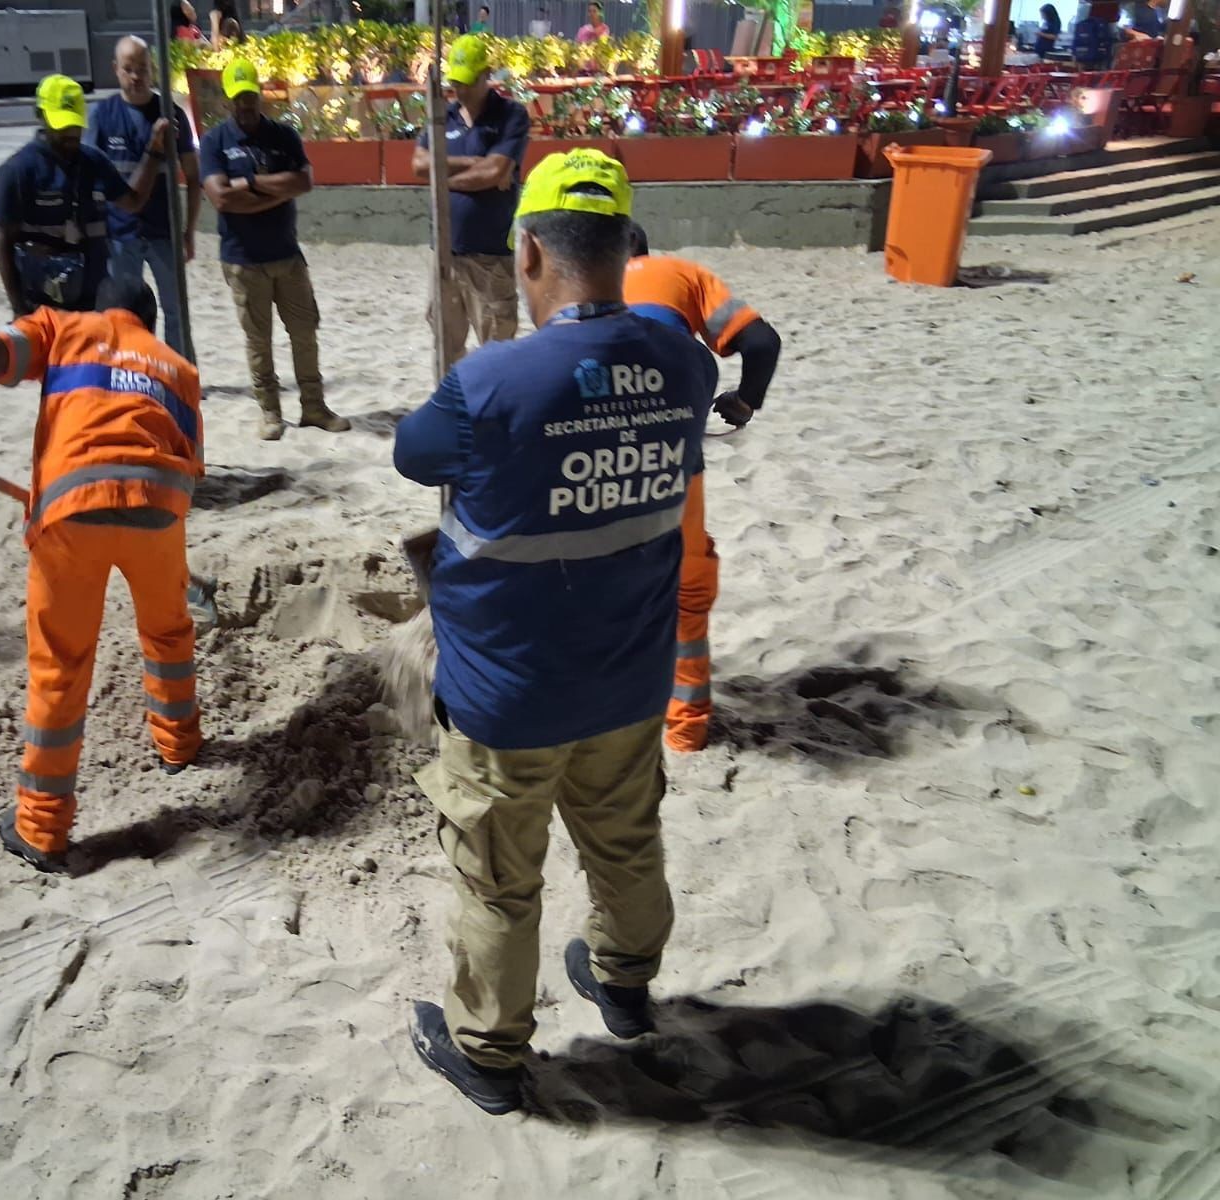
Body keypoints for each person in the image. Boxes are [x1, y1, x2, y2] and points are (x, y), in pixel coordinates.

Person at [394, 149, 716, 1115]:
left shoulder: (489, 381)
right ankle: (623, 980)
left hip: (509, 694)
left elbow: (416, 456)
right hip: (628, 678)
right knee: (627, 838)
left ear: (527, 249)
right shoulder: (685, 361)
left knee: (499, 880)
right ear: (624, 248)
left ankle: (488, 1054)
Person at [0, 278, 203, 875]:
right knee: (168, 631)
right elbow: (192, 462)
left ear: (100, 309)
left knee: (61, 664)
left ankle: (41, 828)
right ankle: (180, 745)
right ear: (150, 322)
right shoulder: (177, 367)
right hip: (160, 506)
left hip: (70, 511)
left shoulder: (65, 327)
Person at [624, 221, 782, 754]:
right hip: (674, 462)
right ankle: (686, 730)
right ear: (644, 251)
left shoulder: (574, 286)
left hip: (592, 465)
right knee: (686, 592)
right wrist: (745, 401)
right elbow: (762, 341)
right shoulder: (683, 273)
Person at [199, 60, 349, 441]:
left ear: (259, 93)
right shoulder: (215, 141)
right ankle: (269, 410)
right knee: (258, 340)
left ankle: (313, 406)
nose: (246, 103)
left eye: (250, 94)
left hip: (287, 254)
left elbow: (304, 181)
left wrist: (247, 186)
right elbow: (219, 197)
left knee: (305, 333)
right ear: (228, 101)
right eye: (239, 97)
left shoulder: (284, 136)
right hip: (243, 260)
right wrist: (273, 191)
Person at [0, 74, 172, 318]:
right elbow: (2, 241)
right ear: (40, 116)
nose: (70, 132)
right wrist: (19, 309)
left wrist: (153, 151)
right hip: (43, 308)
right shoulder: (17, 171)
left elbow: (134, 201)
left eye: (75, 124)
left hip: (93, 303)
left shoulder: (94, 162)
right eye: (61, 125)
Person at [413, 35, 530, 371]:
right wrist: (474, 164)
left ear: (487, 75)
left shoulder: (511, 115)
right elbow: (419, 164)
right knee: (445, 345)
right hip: (446, 252)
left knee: (496, 349)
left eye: (467, 82)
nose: (459, 90)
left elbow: (495, 171)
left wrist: (443, 177)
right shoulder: (443, 118)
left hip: (489, 256)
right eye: (455, 82)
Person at [89, 36, 201, 359]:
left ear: (152, 70)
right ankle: (130, 367)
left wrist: (189, 232)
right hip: (119, 234)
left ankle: (181, 373)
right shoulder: (103, 116)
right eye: (128, 69)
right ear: (116, 70)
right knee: (124, 311)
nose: (136, 76)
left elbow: (193, 177)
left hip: (163, 231)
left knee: (176, 309)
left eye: (142, 68)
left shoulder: (171, 114)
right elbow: (89, 176)